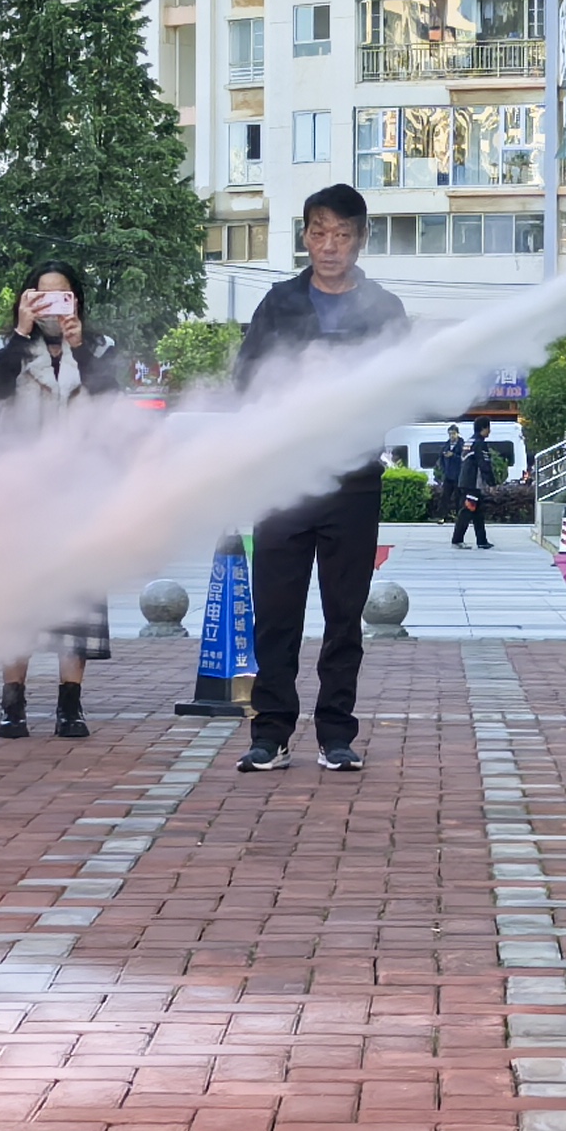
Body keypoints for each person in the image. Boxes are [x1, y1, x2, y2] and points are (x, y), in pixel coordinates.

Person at [234, 183, 411, 773]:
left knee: (344, 615)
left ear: (361, 239)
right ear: (305, 237)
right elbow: (246, 381)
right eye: (318, 233)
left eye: (341, 234)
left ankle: (337, 733)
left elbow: (404, 385)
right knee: (276, 615)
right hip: (283, 481)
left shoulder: (384, 308)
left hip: (352, 482)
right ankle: (270, 734)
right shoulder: (280, 302)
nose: (329, 245)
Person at [0, 263, 128, 740]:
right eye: (41, 297)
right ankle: (12, 702)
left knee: (77, 597)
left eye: (62, 296)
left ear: (77, 300)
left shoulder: (99, 348)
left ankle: (70, 703)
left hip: (80, 490)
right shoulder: (4, 348)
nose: (52, 306)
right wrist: (22, 334)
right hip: (21, 491)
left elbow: (110, 403)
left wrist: (79, 347)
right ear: (26, 301)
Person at [441, 419, 501, 549]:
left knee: (478, 512)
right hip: (473, 483)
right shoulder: (479, 444)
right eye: (488, 428)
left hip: (465, 480)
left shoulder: (469, 441)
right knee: (467, 510)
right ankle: (457, 540)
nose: (490, 431)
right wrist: (491, 483)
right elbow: (484, 464)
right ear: (483, 428)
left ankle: (482, 541)